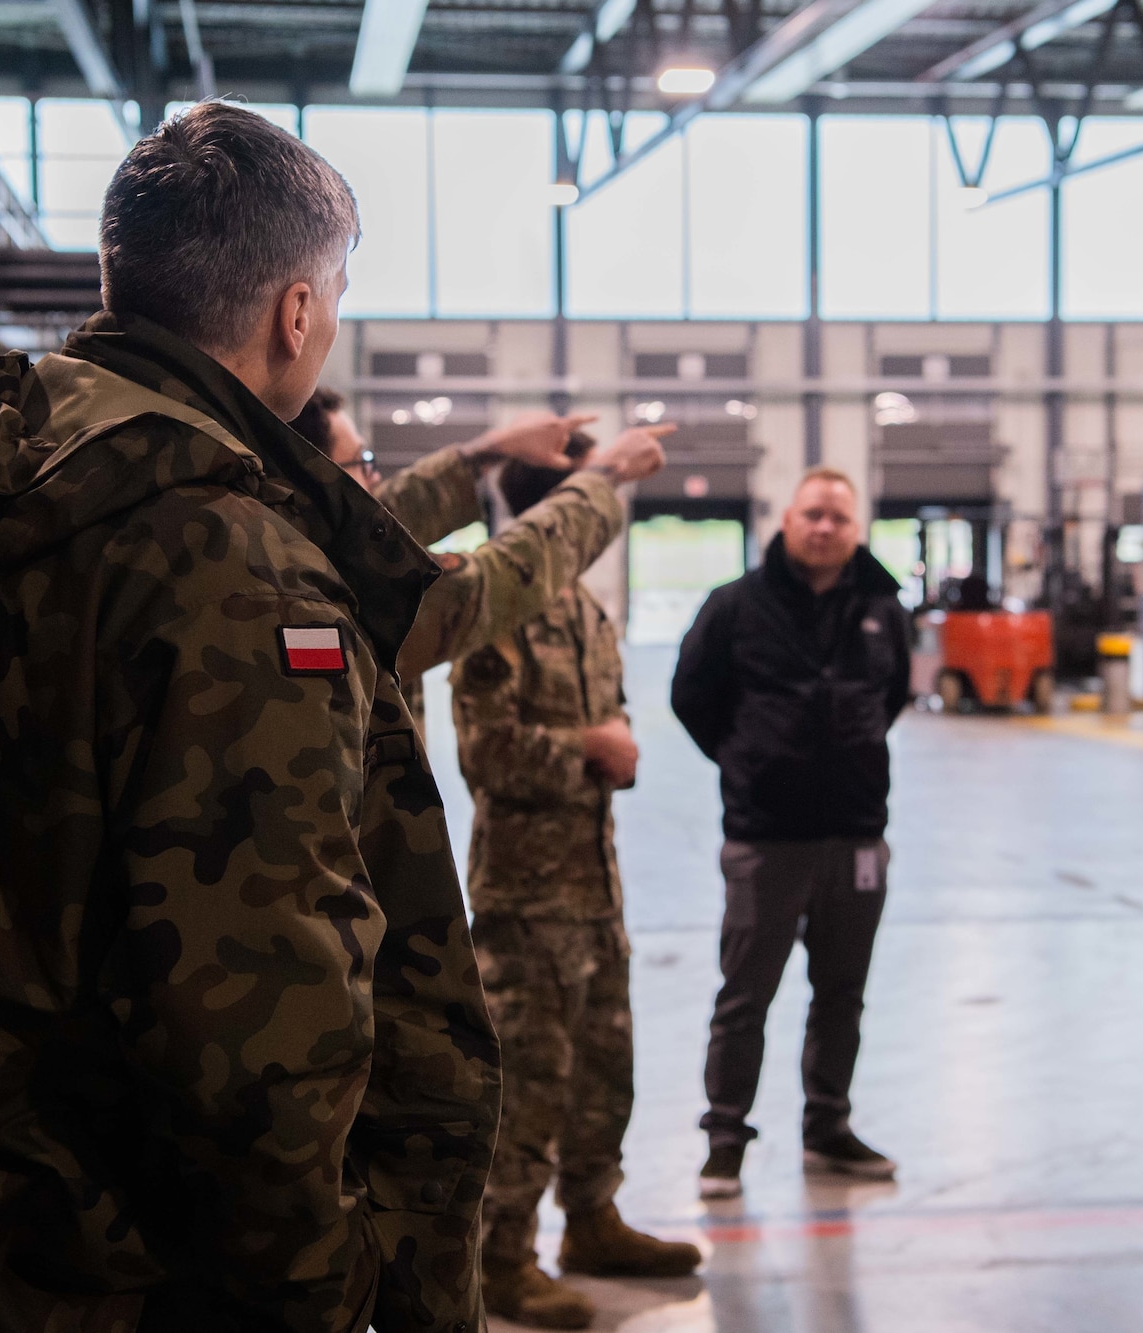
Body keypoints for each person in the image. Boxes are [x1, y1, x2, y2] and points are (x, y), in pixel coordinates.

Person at [0, 102, 497, 1329]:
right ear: (296, 313)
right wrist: (322, 1286)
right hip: (171, 1273)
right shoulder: (228, 558)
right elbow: (259, 1015)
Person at [447, 433, 701, 1330]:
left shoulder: (589, 615)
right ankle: (501, 1255)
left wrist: (615, 744)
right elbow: (484, 752)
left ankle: (591, 1219)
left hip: (596, 889)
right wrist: (585, 751)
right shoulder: (497, 608)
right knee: (528, 1081)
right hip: (525, 897)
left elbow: (612, 717)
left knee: (604, 1069)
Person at [670, 467, 911, 1201]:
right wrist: (751, 760)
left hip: (856, 836)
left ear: (857, 526)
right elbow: (692, 698)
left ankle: (827, 1127)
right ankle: (724, 1139)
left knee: (842, 993)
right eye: (813, 514)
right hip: (766, 839)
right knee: (746, 994)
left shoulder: (881, 605)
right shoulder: (735, 605)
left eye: (839, 516)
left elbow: (891, 694)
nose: (825, 527)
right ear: (786, 519)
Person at [290, 389, 670, 686]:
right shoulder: (341, 589)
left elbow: (387, 514)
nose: (376, 478)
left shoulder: (301, 546)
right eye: (361, 461)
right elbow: (499, 577)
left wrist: (491, 449)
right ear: (317, 483)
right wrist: (607, 473)